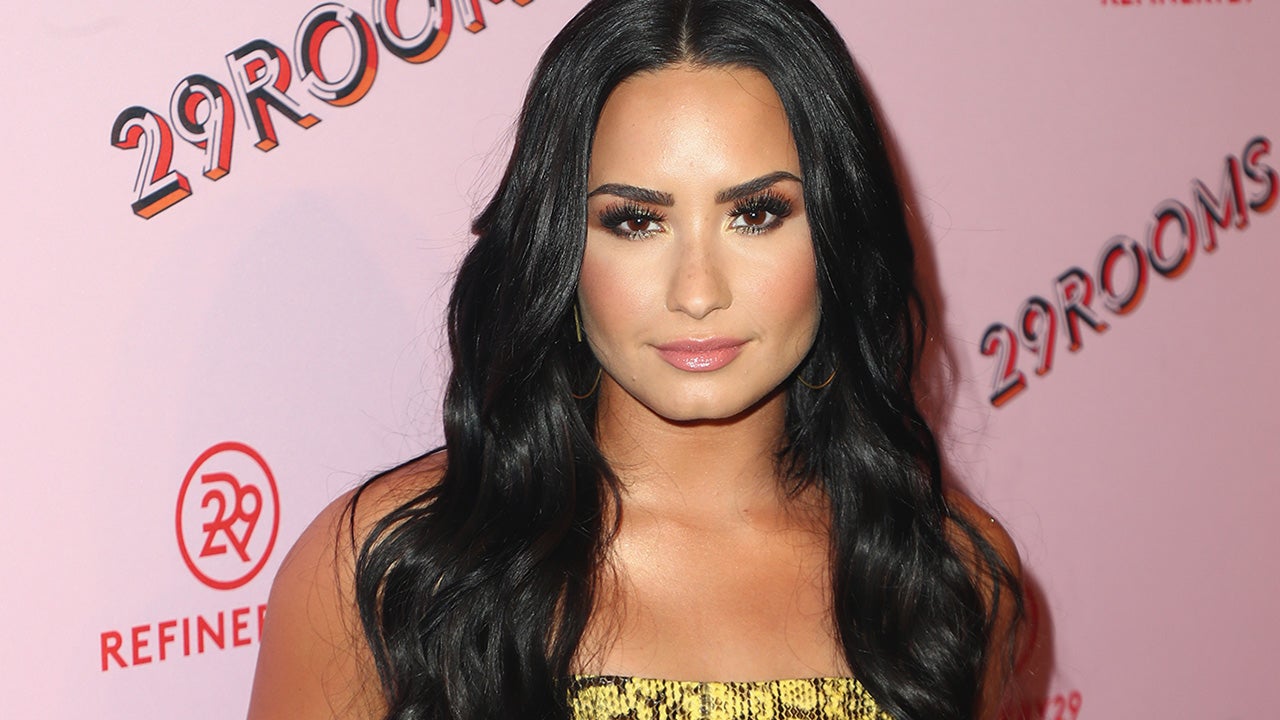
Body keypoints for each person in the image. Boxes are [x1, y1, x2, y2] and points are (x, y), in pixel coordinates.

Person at [246, 0, 1024, 718]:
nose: (697, 292)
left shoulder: (951, 576)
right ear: (559, 245)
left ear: (838, 234)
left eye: (756, 214)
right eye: (635, 221)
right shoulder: (398, 575)